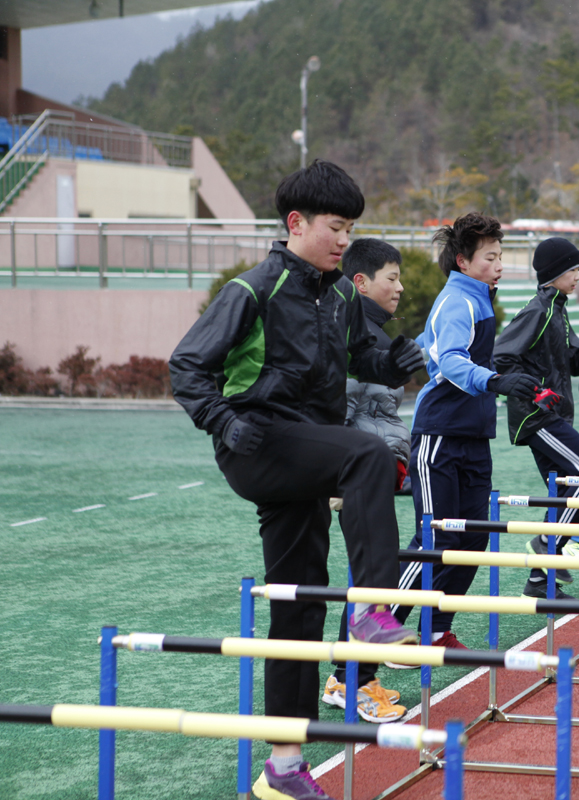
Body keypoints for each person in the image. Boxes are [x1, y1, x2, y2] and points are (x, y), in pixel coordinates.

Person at [168, 160, 427, 800]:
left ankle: (282, 767)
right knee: (366, 456)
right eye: (335, 228)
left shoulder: (340, 295)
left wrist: (394, 360)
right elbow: (186, 366)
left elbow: (359, 358)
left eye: (349, 230)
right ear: (296, 224)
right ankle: (370, 605)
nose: (344, 241)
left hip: (304, 454)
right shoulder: (251, 289)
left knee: (299, 603)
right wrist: (224, 423)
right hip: (257, 443)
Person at [392, 212, 540, 650]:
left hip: (474, 435)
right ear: (463, 260)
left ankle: (434, 630)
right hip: (438, 433)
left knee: (474, 537)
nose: (498, 265)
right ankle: (382, 628)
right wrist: (494, 381)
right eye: (490, 257)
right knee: (437, 536)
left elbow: (437, 348)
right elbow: (453, 360)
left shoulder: (479, 298)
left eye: (500, 256)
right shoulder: (458, 300)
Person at [493, 237, 579, 598]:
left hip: (555, 415)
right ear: (556, 273)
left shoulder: (558, 311)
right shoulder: (537, 311)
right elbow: (502, 358)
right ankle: (547, 542)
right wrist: (534, 392)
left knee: (568, 492)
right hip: (538, 417)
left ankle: (538, 582)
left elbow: (575, 363)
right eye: (574, 269)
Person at [321, 238, 413, 722]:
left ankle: (354, 676)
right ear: (361, 282)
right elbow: (345, 413)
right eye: (391, 278)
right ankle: (349, 680)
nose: (400, 287)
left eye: (400, 277)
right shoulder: (356, 335)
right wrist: (342, 478)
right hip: (352, 475)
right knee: (370, 581)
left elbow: (382, 416)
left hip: (373, 472)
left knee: (374, 577)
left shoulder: (378, 335)